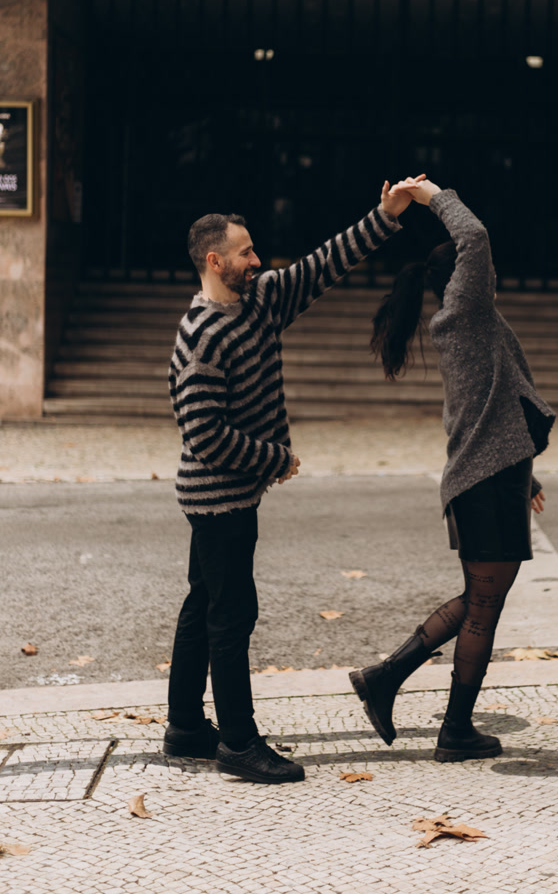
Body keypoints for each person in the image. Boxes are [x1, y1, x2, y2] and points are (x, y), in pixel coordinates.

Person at [163, 177, 423, 783]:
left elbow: (323, 263)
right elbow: (205, 436)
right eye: (246, 251)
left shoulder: (260, 300)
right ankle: (237, 743)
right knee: (231, 616)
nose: (257, 260)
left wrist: (384, 215)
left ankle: (183, 727)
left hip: (229, 493)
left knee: (203, 604)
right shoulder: (200, 338)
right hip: (217, 497)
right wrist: (273, 458)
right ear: (214, 260)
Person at [349, 180, 555, 763]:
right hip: (485, 485)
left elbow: (485, 414)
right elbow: (475, 235)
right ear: (464, 279)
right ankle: (454, 729)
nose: (492, 275)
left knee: (478, 598)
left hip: (493, 476)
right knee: (484, 606)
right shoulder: (466, 312)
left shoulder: (473, 324)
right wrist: (434, 194)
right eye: (482, 272)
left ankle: (385, 679)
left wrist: (526, 475)